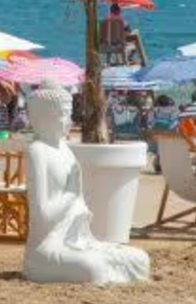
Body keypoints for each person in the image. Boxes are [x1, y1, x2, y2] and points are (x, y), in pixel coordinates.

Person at [21, 87, 151, 284]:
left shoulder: (65, 149)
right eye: (64, 114)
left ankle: (103, 265)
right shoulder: (37, 152)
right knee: (92, 268)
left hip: (76, 240)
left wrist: (75, 200)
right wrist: (70, 194)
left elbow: (78, 205)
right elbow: (42, 216)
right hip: (47, 246)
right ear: (45, 116)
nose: (70, 121)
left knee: (140, 259)